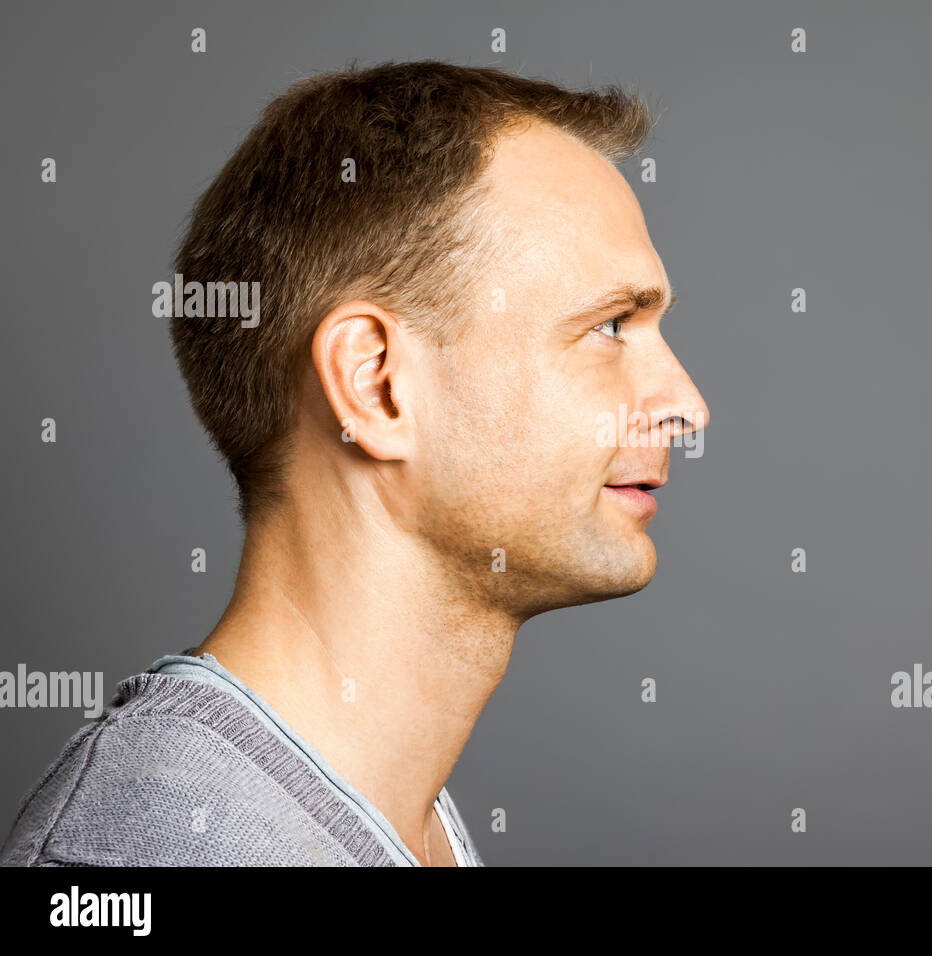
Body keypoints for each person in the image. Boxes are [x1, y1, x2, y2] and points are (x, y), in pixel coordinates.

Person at [2, 60, 709, 867]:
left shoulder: (388, 817)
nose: (687, 406)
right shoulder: (146, 855)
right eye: (612, 326)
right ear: (374, 384)